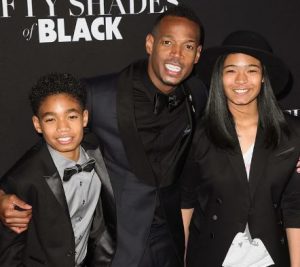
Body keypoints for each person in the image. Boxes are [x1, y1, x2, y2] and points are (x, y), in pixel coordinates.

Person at [0, 5, 208, 267]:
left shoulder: (196, 95)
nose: (176, 55)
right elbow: (51, 143)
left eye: (188, 47)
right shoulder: (99, 94)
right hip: (117, 245)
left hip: (169, 243)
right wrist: (2, 196)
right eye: (167, 42)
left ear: (197, 54)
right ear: (149, 43)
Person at [181, 31, 300, 267]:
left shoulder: (291, 133)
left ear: (264, 76)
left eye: (252, 70)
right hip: (211, 256)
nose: (241, 80)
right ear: (219, 76)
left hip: (269, 258)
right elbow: (186, 203)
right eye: (232, 70)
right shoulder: (199, 134)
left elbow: (295, 207)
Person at [0, 73, 116, 267]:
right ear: (38, 124)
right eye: (51, 120)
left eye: (71, 116)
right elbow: (11, 246)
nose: (63, 128)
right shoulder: (27, 176)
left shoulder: (99, 149)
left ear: (84, 118)